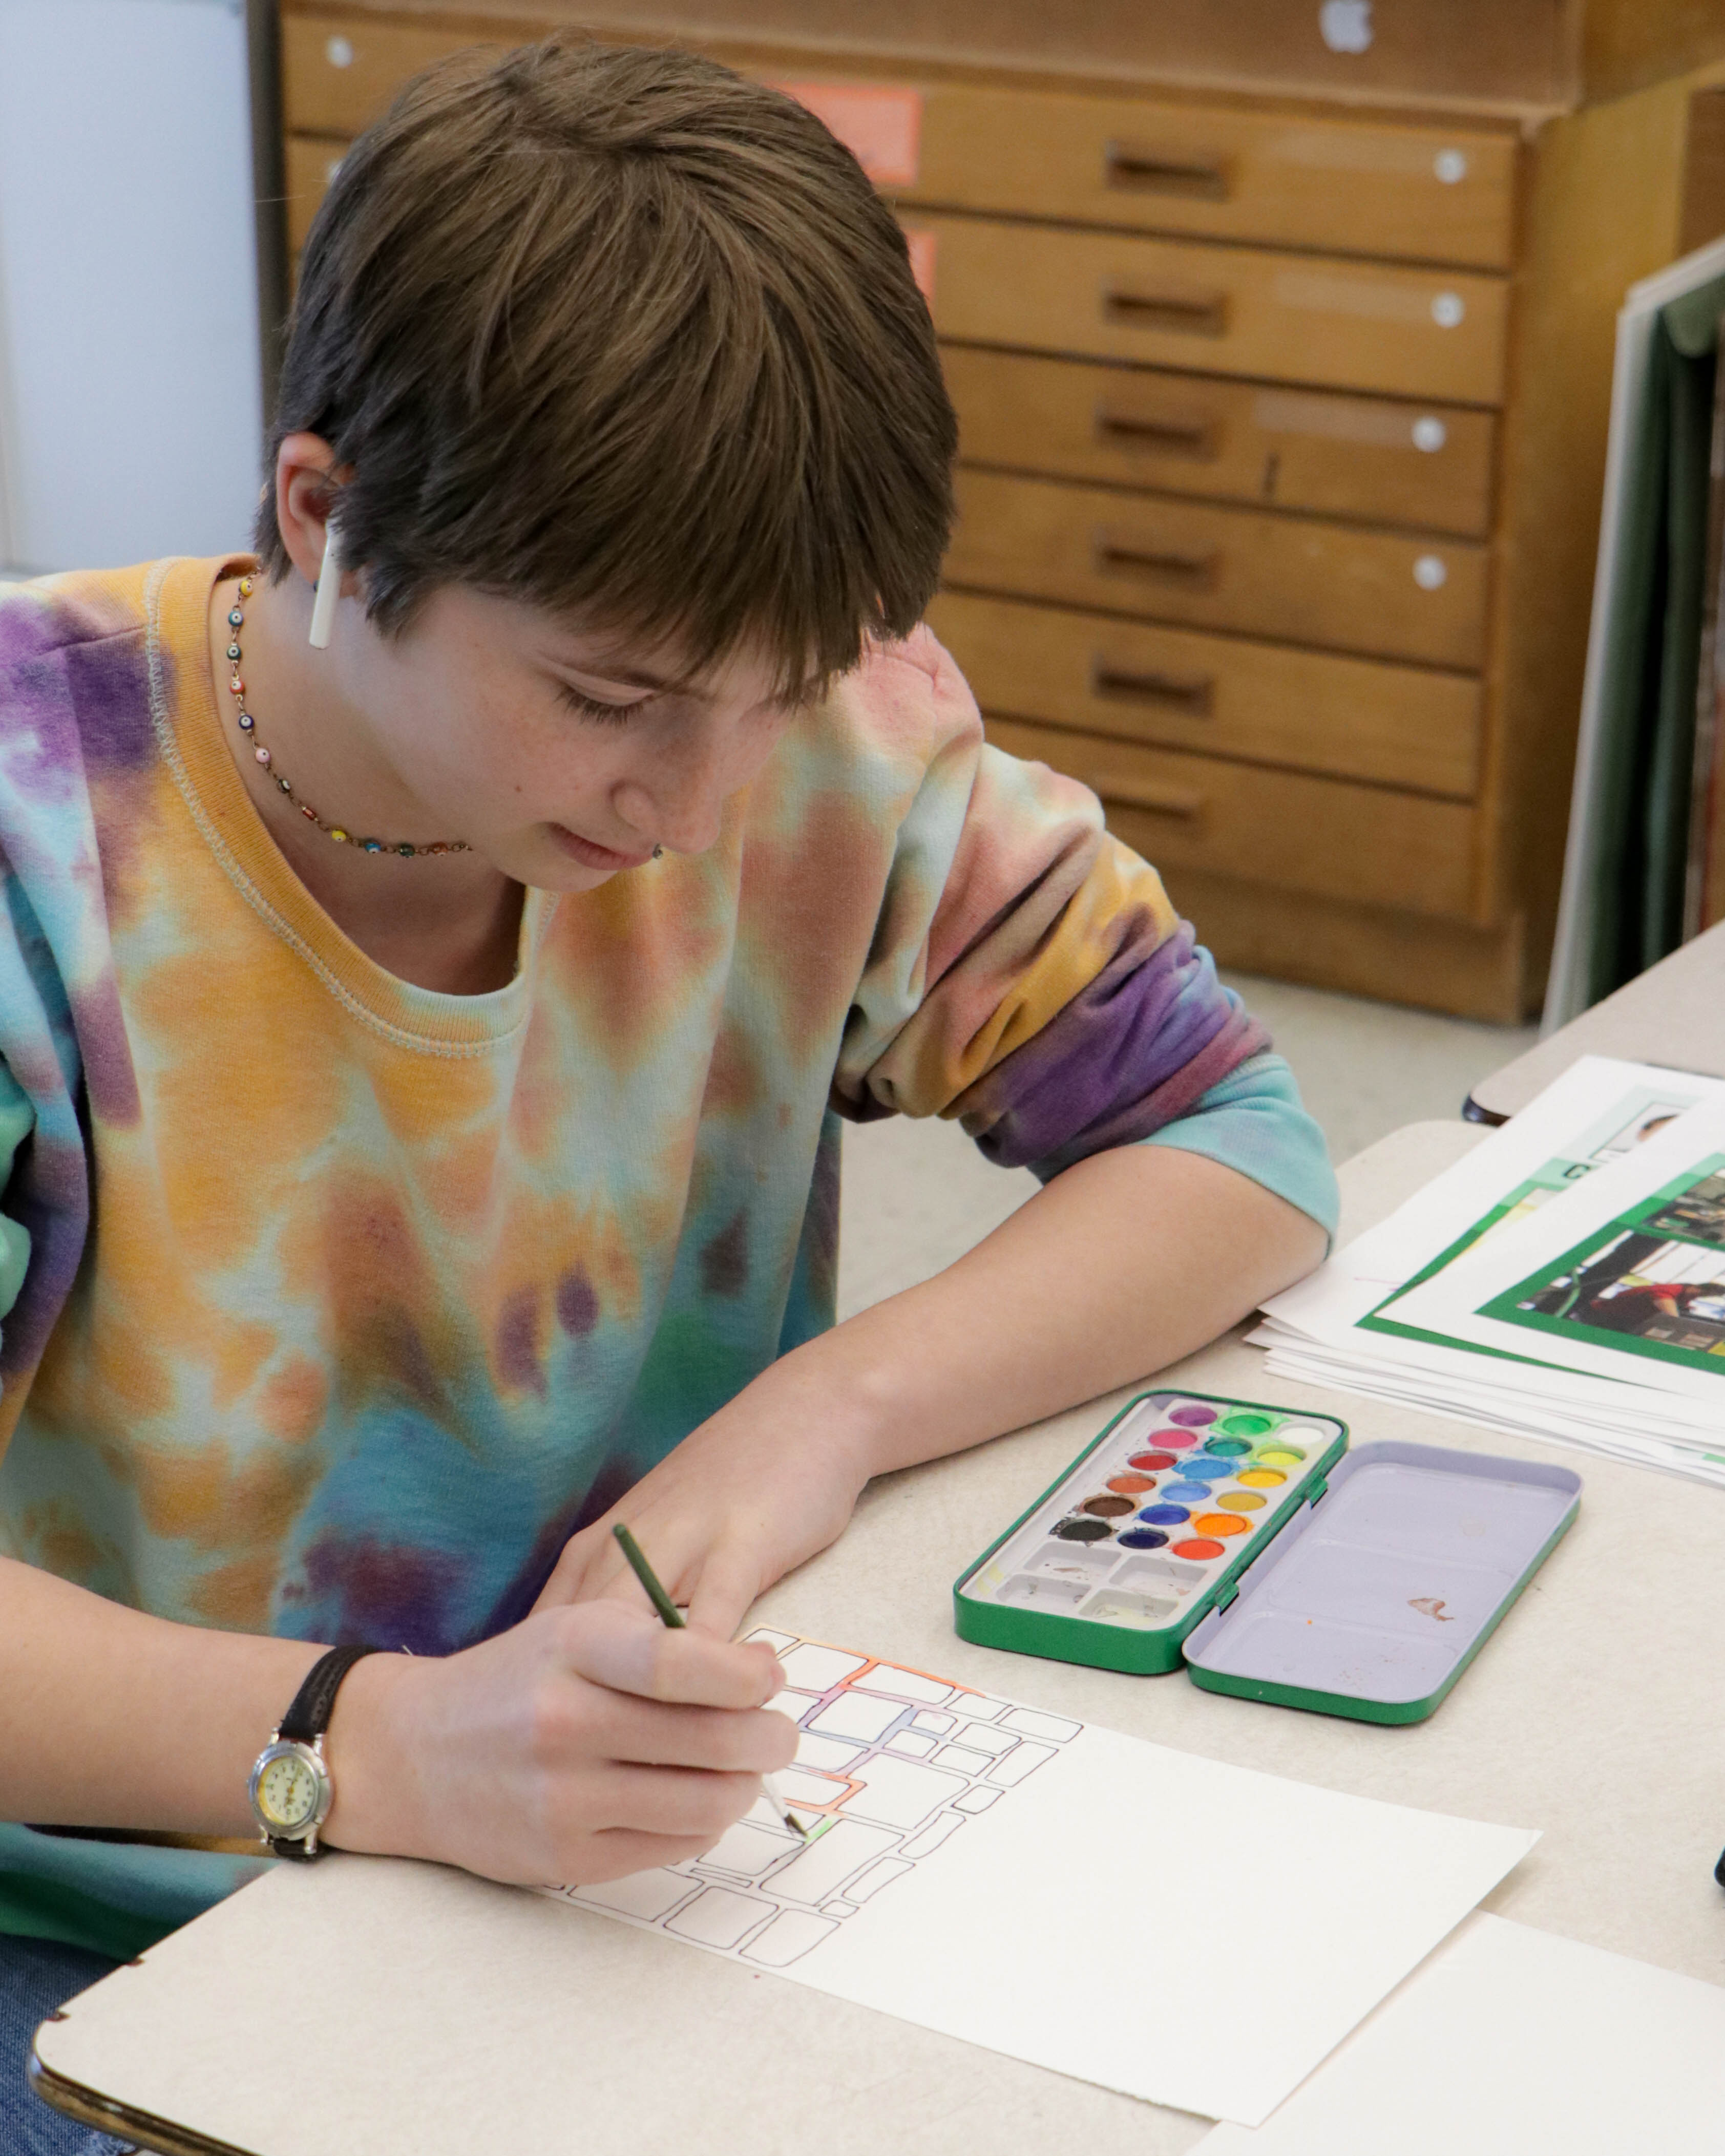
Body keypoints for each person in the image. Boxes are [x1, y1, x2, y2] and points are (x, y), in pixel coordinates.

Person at [0, 37, 1335, 2148]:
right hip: (115, 1922)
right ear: (328, 518)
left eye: (775, 698)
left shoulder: (812, 728)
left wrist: (821, 1415)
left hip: (633, 1863)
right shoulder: (37, 834)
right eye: (609, 699)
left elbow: (1229, 1144)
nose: (703, 800)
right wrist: (375, 1749)